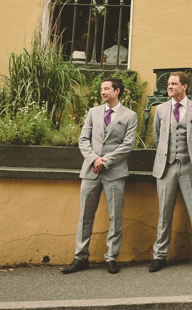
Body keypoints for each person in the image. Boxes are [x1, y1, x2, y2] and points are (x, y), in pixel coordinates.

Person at [61, 78, 138, 274]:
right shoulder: (93, 112)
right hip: (90, 172)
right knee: (85, 216)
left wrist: (105, 161)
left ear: (117, 91)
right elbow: (83, 139)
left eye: (106, 88)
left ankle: (111, 257)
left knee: (115, 217)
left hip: (114, 173)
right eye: (101, 89)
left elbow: (127, 145)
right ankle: (80, 257)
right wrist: (94, 159)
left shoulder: (129, 115)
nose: (103, 92)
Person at [149, 71, 192, 272]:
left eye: (174, 83)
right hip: (166, 168)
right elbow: (157, 138)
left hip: (189, 166)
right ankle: (159, 256)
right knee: (164, 214)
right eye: (168, 83)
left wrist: (191, 155)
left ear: (185, 86)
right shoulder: (160, 110)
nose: (169, 86)